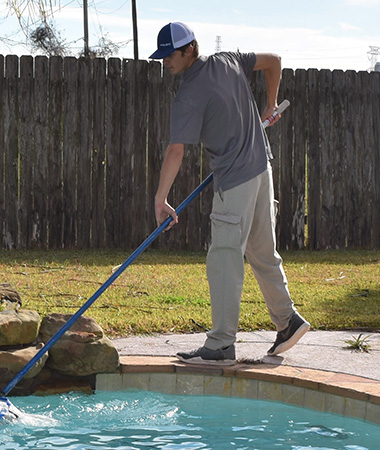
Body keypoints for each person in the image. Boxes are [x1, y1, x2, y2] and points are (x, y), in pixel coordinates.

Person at [150, 22, 309, 365]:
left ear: (190, 49)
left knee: (224, 259)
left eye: (170, 55)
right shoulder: (229, 60)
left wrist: (160, 198)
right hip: (262, 169)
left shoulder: (188, 94)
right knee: (262, 252)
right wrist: (270, 104)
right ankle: (288, 321)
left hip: (235, 181)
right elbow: (274, 61)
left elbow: (176, 150)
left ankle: (221, 345)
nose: (166, 62)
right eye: (162, 57)